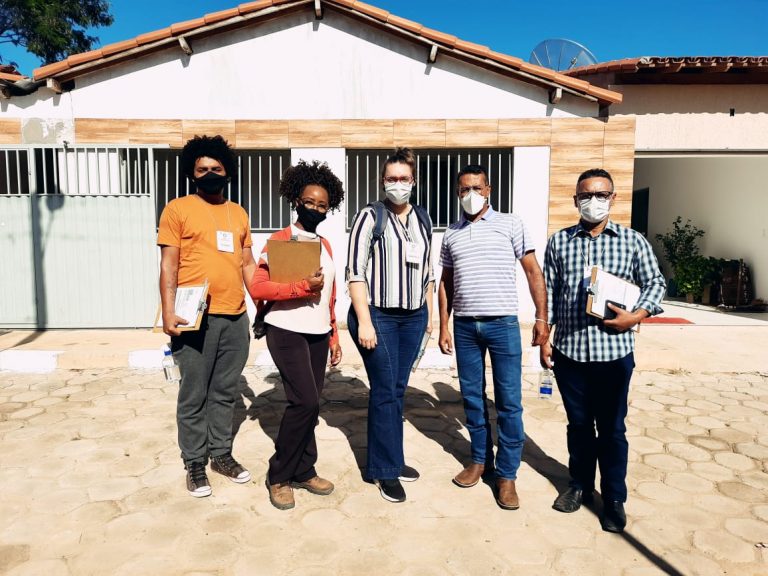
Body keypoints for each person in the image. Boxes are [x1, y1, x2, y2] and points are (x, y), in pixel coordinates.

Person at [541, 168, 665, 533]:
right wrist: (544, 335)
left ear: (613, 198)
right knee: (578, 426)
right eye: (585, 195)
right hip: (570, 353)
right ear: (575, 199)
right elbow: (548, 291)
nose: (592, 201)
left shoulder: (632, 242)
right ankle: (579, 485)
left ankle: (613, 498)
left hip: (614, 354)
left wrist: (638, 315)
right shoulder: (559, 242)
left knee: (612, 430)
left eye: (600, 195)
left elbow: (656, 282)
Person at [438, 164, 549, 510]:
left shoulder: (511, 224)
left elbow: (533, 271)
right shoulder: (451, 233)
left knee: (509, 404)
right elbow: (446, 282)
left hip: (502, 325)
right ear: (457, 193)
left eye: (476, 188)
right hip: (466, 328)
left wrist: (542, 318)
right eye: (463, 190)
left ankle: (507, 475)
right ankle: (479, 460)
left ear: (488, 190)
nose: (469, 194)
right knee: (472, 398)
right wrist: (444, 324)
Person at [158, 135, 255, 498]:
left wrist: (262, 302)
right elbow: (169, 263)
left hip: (235, 316)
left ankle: (221, 455)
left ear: (227, 170)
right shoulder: (178, 209)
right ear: (191, 173)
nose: (210, 173)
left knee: (225, 392)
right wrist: (168, 310)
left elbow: (246, 263)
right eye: (202, 169)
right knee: (194, 392)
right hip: (193, 318)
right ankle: (195, 462)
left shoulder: (238, 213)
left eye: (216, 168)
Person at [248, 160, 344, 510]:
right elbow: (259, 287)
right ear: (296, 200)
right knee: (303, 401)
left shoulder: (326, 244)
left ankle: (304, 469)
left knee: (311, 403)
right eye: (309, 202)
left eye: (322, 205)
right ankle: (279, 475)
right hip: (286, 330)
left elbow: (330, 296)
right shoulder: (279, 240)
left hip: (318, 332)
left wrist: (334, 335)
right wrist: (302, 286)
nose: (315, 209)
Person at [346, 147, 434, 503]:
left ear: (413, 180)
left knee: (398, 390)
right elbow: (355, 271)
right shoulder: (371, 216)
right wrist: (364, 321)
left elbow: (428, 271)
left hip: (413, 318)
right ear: (383, 182)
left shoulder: (423, 218)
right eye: (391, 178)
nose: (398, 184)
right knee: (384, 391)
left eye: (404, 178)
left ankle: (392, 460)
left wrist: (430, 314)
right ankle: (383, 471)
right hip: (378, 317)